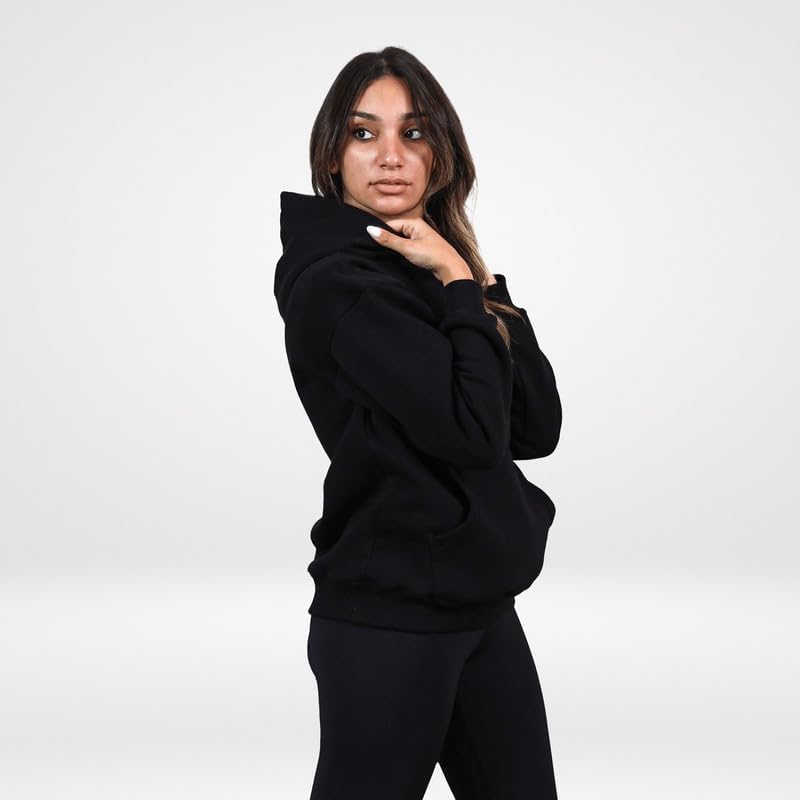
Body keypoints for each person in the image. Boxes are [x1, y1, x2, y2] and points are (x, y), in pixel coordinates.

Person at [274, 45, 563, 800]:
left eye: (414, 132)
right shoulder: (339, 284)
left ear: (441, 153)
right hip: (389, 616)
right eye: (363, 133)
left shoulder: (424, 266)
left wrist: (474, 275)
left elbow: (533, 428)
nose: (390, 156)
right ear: (332, 155)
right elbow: (472, 432)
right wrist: (459, 284)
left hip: (478, 603)